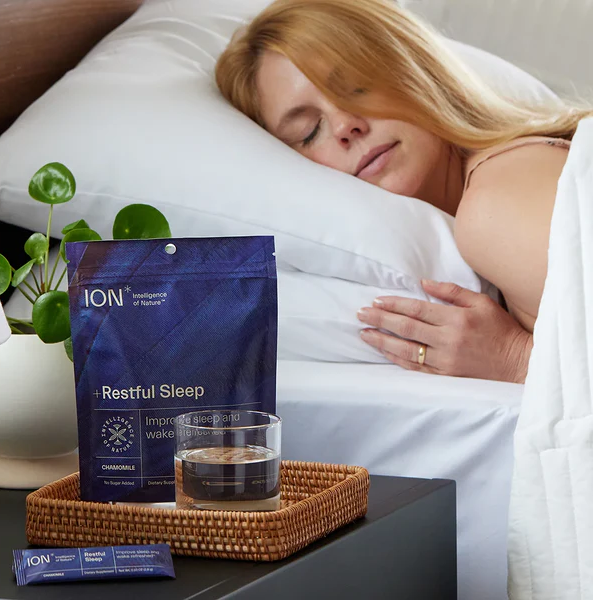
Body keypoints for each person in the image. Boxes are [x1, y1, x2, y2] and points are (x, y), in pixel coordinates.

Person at [214, 0, 593, 383]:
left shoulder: (495, 207)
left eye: (356, 87)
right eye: (309, 132)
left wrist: (516, 359)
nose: (345, 125)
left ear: (415, 68)